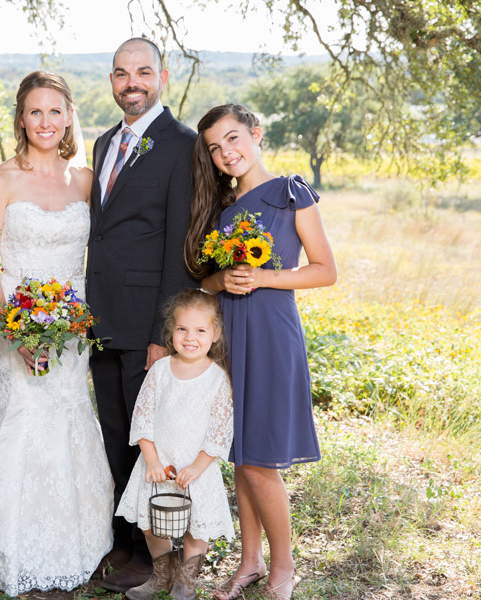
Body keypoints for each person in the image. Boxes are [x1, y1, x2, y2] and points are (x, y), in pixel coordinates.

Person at [0, 71, 114, 596]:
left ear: (69, 117)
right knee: (22, 411)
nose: (45, 121)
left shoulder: (86, 181)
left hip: (72, 323)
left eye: (55, 111)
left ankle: (81, 539)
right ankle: (4, 538)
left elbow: (98, 257)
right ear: (21, 118)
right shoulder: (0, 181)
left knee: (68, 410)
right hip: (14, 319)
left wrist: (73, 318)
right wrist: (13, 326)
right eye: (35, 112)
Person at [184, 104, 337, 600]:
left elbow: (324, 270)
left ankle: (284, 568)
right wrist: (221, 279)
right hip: (231, 337)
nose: (226, 152)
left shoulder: (292, 194)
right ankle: (249, 562)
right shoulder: (225, 211)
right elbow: (206, 282)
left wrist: (265, 277)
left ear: (256, 134)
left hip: (271, 334)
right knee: (239, 453)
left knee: (258, 461)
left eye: (233, 139)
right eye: (214, 147)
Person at [86, 37, 199, 592]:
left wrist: (164, 334)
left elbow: (180, 241)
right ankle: (123, 540)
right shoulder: (104, 141)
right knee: (112, 432)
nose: (132, 82)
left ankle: (151, 552)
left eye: (143, 72)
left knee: (145, 438)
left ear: (163, 76)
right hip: (100, 318)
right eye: (121, 73)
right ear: (111, 80)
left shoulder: (183, 144)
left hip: (146, 322)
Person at [116, 289, 235, 600]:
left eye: (200, 330)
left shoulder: (217, 378)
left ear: (216, 334)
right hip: (158, 463)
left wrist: (197, 467)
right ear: (170, 331)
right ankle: (162, 575)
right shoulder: (160, 370)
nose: (189, 337)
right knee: (151, 523)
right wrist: (152, 460)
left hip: (196, 468)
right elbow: (142, 417)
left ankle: (186, 580)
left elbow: (220, 431)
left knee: (196, 527)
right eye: (182, 329)